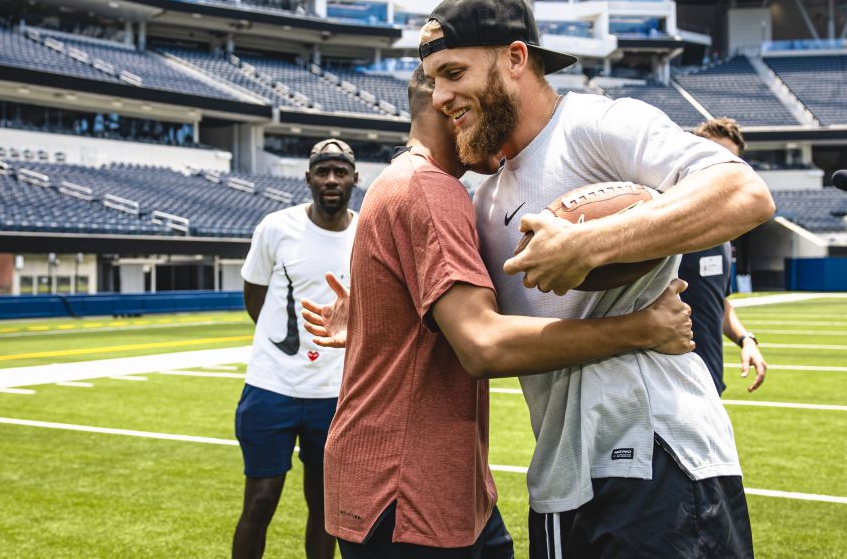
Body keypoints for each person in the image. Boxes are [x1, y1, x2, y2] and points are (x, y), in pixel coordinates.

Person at [421, 0, 776, 557]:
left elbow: (744, 192)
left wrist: (592, 242)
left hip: (659, 456)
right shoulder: (479, 195)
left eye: (453, 72)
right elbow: (477, 334)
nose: (440, 96)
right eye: (433, 80)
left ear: (516, 58)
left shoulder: (596, 123)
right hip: (560, 477)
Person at [309, 66, 696, 559]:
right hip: (406, 487)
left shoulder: (401, 181)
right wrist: (640, 328)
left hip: (419, 477)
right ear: (448, 106)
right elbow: (483, 345)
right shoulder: (432, 191)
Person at [232, 139, 360, 559]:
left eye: (340, 172)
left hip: (334, 395)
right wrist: (286, 347)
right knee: (260, 500)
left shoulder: (366, 232)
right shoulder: (275, 227)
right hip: (272, 389)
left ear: (354, 180)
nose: (331, 179)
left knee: (326, 510)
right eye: (322, 171)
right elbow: (255, 297)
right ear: (308, 179)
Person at [678, 117, 768, 394]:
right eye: (712, 156)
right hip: (671, 385)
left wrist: (745, 339)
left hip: (710, 383)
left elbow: (719, 302)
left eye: (730, 162)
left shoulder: (723, 234)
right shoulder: (663, 228)